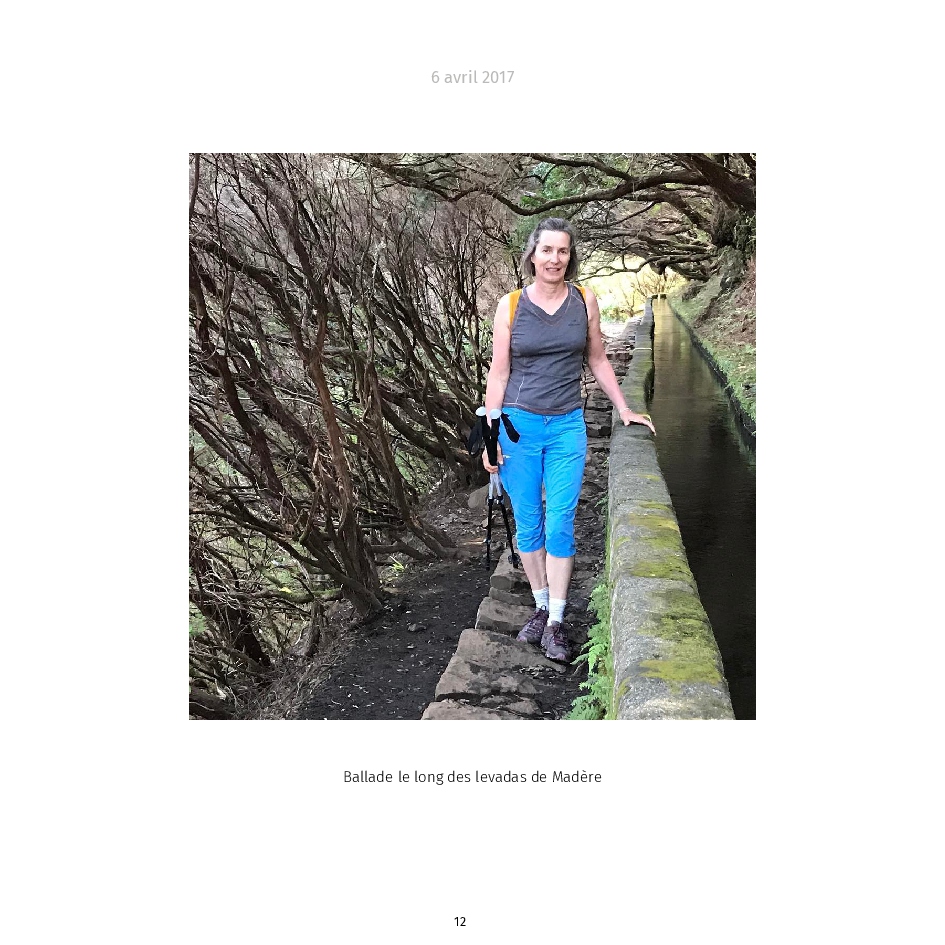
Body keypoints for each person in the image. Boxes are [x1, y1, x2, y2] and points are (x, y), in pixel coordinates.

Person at [482, 218, 656, 662]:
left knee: (560, 521)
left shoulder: (584, 300)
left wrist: (623, 407)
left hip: (566, 426)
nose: (554, 259)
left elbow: (597, 359)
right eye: (547, 250)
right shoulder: (511, 305)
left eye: (562, 251)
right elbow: (498, 374)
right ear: (532, 255)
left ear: (569, 256)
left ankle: (556, 620)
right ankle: (540, 607)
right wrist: (490, 436)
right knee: (529, 522)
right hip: (518, 427)